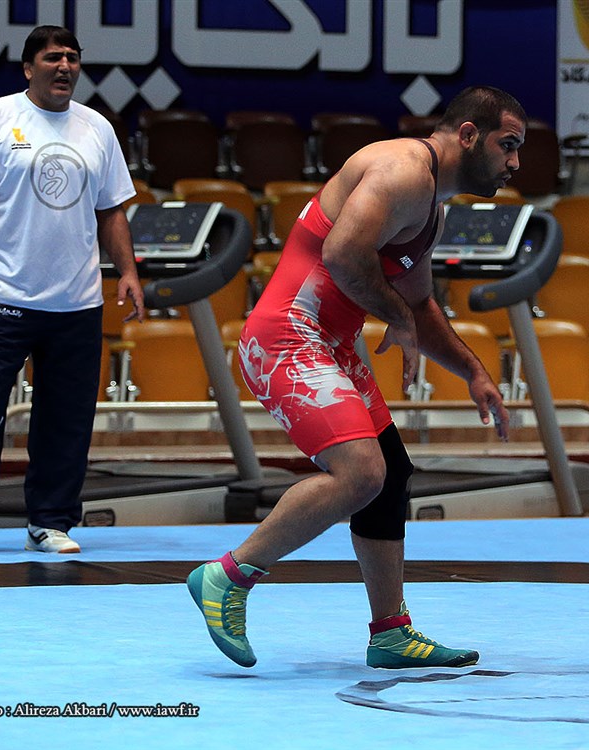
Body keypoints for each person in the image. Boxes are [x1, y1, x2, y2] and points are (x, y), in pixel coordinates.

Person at [187, 86, 522, 669]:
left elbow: (418, 305)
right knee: (362, 471)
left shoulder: (431, 208)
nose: (515, 162)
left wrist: (472, 370)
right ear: (468, 135)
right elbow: (343, 255)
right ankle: (228, 576)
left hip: (328, 344)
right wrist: (397, 316)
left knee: (390, 475)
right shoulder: (401, 171)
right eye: (508, 144)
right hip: (286, 337)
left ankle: (391, 632)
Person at [0, 25, 144, 557]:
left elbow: (111, 209)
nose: (65, 66)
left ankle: (50, 522)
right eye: (53, 57)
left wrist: (127, 271)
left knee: (66, 421)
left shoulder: (97, 128)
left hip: (77, 302)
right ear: (29, 68)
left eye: (72, 57)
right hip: (2, 294)